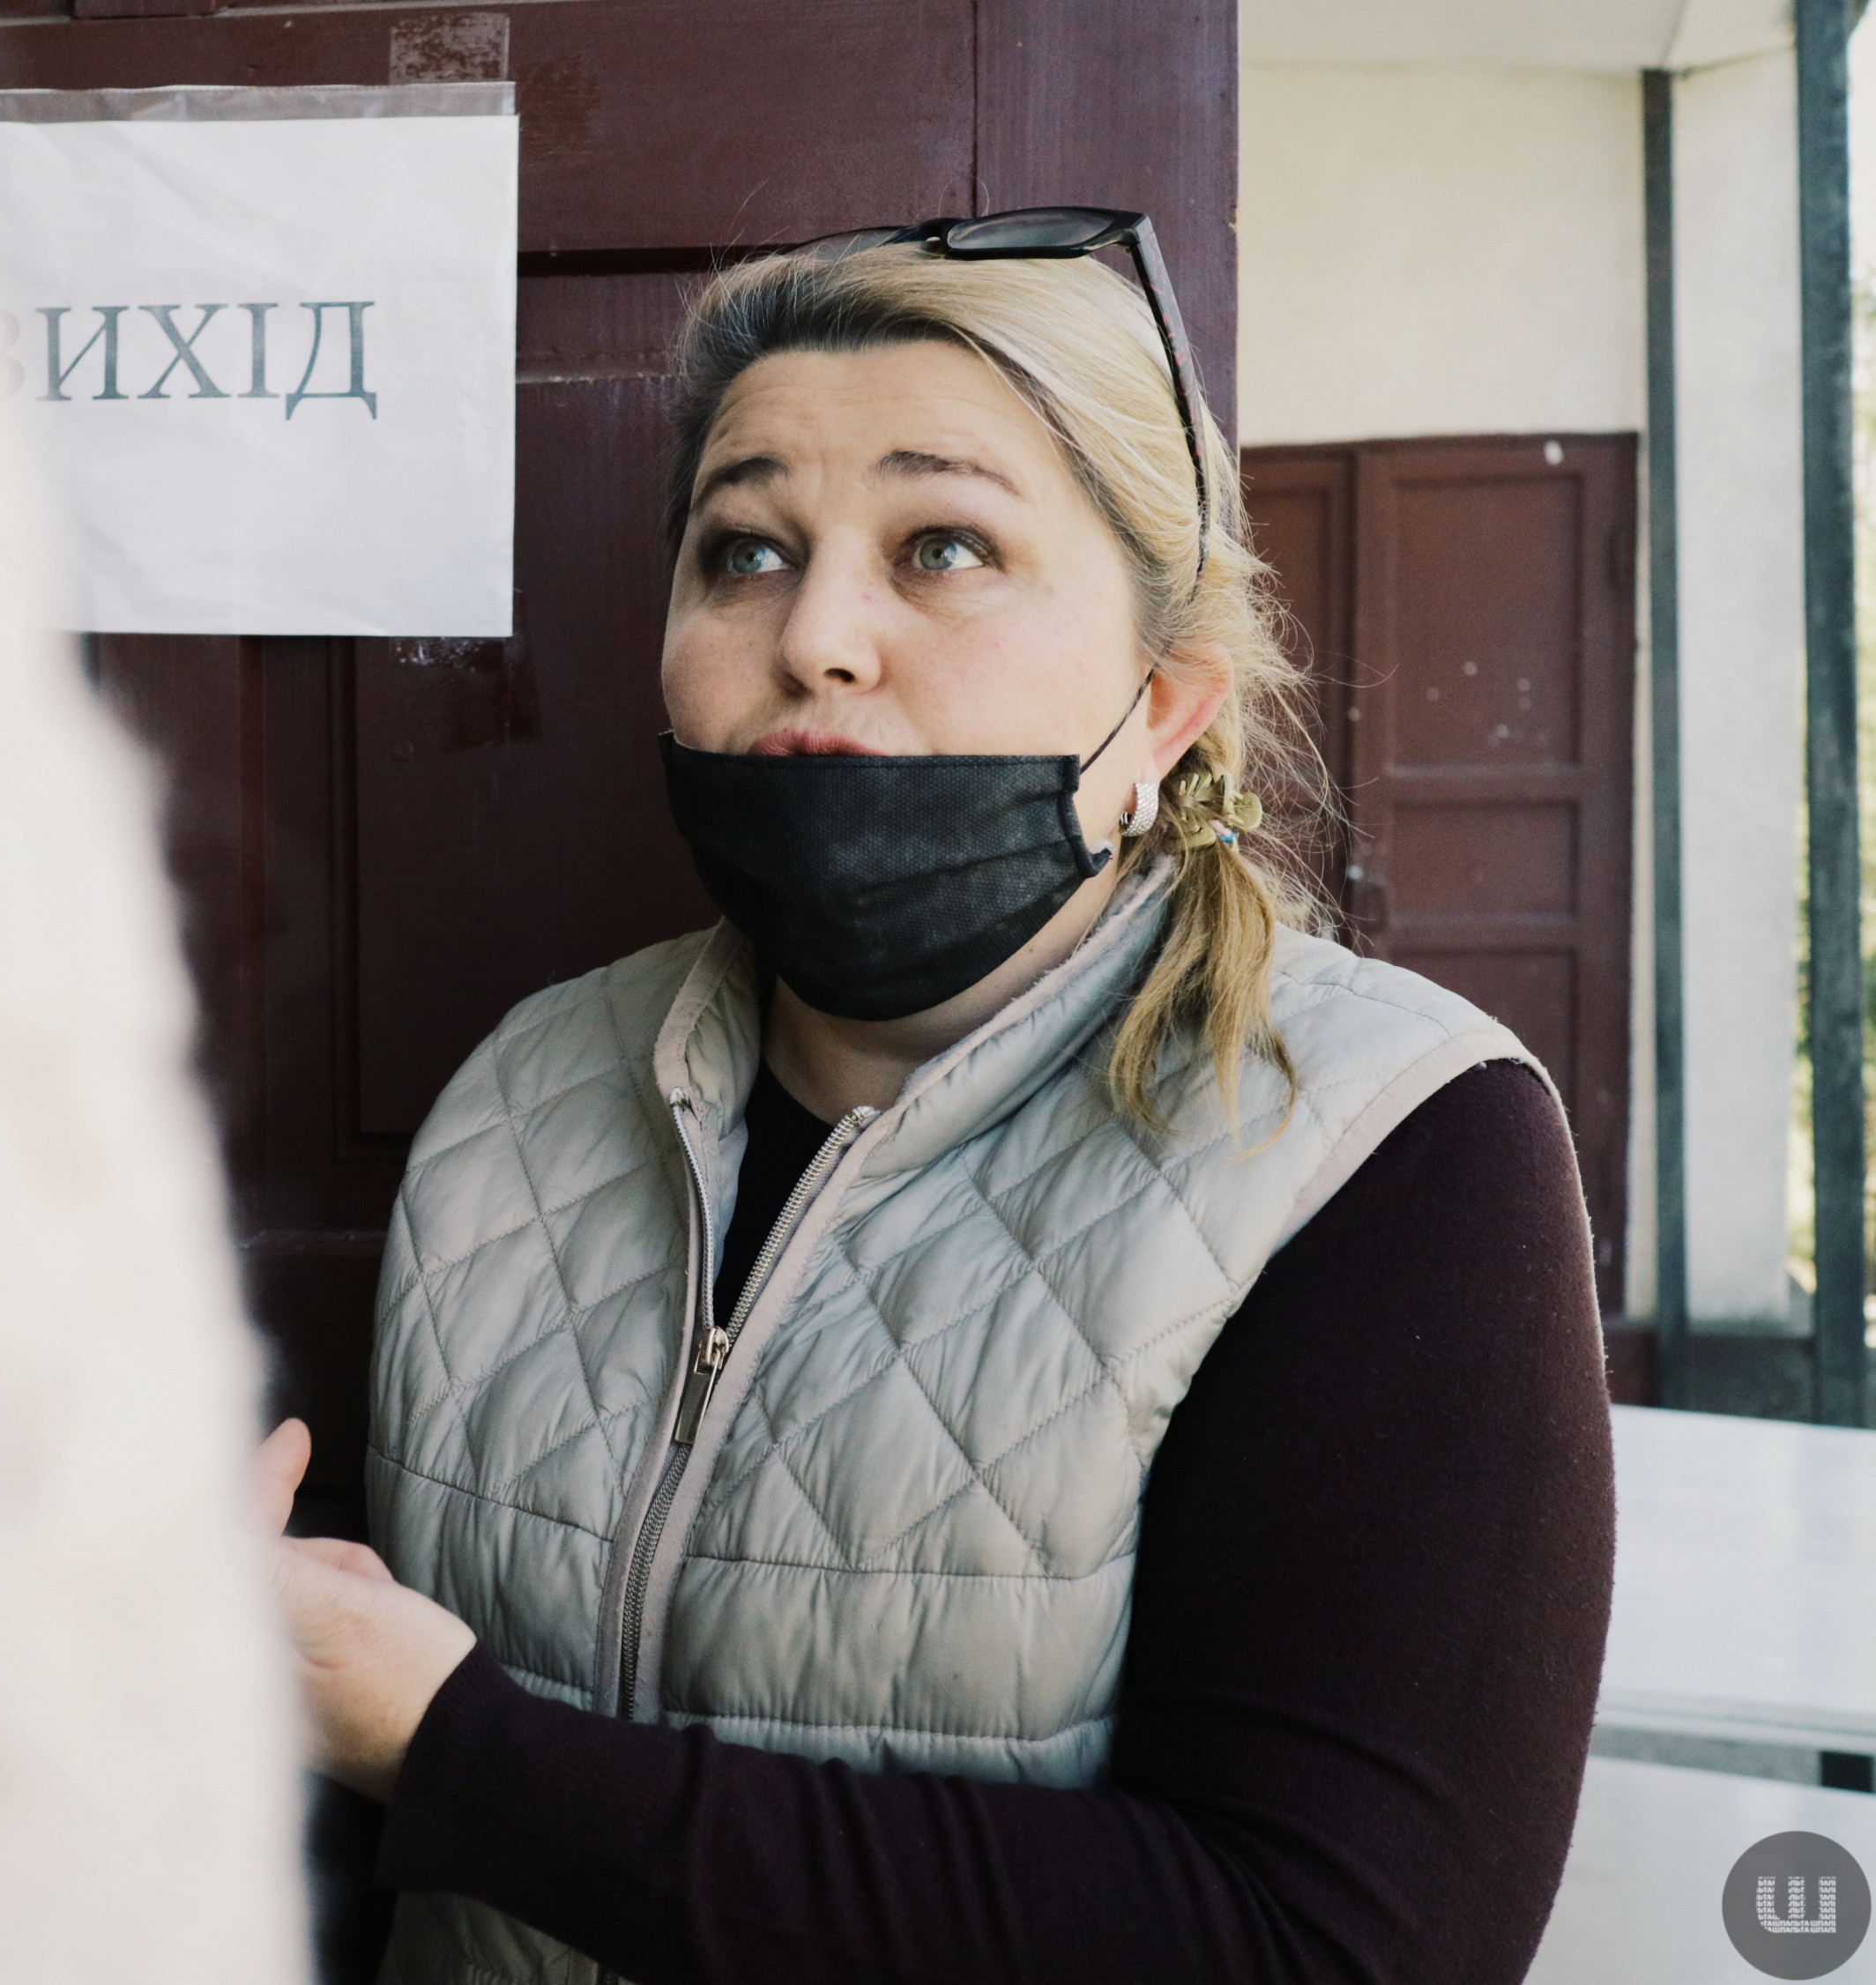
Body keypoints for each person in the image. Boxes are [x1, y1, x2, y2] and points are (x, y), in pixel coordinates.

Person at [257, 212, 1616, 1985]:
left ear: (1164, 709)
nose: (817, 635)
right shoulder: (519, 1099)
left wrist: (457, 1754)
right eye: (745, 551)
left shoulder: (1389, 1145)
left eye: (945, 546)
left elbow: (1330, 1946)